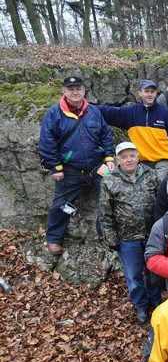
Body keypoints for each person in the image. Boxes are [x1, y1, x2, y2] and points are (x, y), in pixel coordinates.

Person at [38, 76, 115, 255]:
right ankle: (54, 239)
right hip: (70, 170)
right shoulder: (54, 113)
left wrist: (109, 158)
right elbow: (46, 142)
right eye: (70, 89)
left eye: (78, 88)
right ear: (64, 91)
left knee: (114, 191)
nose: (75, 92)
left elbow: (106, 134)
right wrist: (55, 167)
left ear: (84, 90)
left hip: (97, 168)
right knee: (61, 204)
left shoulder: (94, 111)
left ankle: (107, 233)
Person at [99, 142, 160, 324]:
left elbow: (161, 203)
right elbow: (104, 212)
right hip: (127, 238)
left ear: (138, 156)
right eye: (124, 156)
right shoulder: (109, 180)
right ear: (117, 159)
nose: (129, 160)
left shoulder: (152, 175)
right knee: (133, 275)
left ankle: (156, 302)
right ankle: (140, 305)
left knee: (153, 272)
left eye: (132, 155)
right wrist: (111, 239)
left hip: (152, 236)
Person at [98, 79, 168, 181]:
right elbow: (110, 112)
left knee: (158, 188)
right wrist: (88, 107)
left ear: (156, 93)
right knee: (144, 190)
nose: (149, 94)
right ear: (140, 93)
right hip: (142, 162)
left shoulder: (165, 112)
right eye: (146, 91)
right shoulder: (131, 112)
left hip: (162, 160)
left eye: (152, 92)